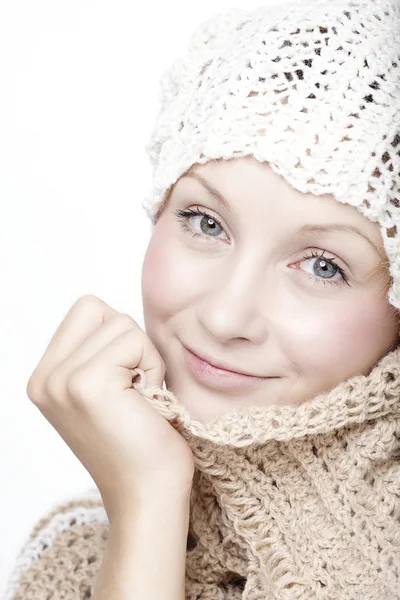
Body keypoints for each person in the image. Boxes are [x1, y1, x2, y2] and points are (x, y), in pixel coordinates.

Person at [3, 0, 400, 598]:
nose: (224, 317)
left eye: (323, 265)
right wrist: (149, 500)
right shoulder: (74, 559)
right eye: (206, 222)